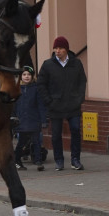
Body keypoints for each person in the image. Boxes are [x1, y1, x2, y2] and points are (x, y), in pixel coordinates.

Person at [37, 36, 87, 171]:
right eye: (56, 48)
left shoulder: (76, 63)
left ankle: (75, 159)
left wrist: (79, 98)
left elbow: (82, 82)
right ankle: (59, 160)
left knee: (76, 130)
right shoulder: (48, 65)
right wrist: (49, 101)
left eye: (60, 48)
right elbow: (41, 84)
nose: (57, 51)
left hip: (73, 104)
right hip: (55, 106)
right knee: (56, 134)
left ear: (66, 49)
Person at [13, 66, 47, 171]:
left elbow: (41, 105)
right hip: (21, 120)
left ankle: (38, 161)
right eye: (24, 75)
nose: (26, 77)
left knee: (36, 141)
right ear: (20, 77)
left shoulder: (36, 88)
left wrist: (43, 120)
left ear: (32, 76)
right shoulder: (17, 88)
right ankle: (16, 160)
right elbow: (14, 106)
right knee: (21, 142)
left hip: (34, 119)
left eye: (29, 75)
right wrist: (13, 118)